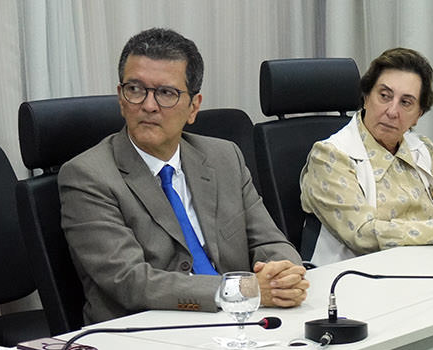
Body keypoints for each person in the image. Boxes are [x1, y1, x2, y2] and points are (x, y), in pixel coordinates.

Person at [60, 27, 308, 324]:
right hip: (149, 331)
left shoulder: (224, 157)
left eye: (166, 93)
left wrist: (283, 274)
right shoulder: (87, 176)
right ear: (121, 99)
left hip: (238, 322)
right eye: (135, 89)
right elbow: (130, 281)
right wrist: (241, 291)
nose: (148, 105)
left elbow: (270, 242)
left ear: (193, 107)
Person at [298, 46, 433, 268]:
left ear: (418, 115)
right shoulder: (330, 156)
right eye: (384, 96)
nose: (392, 111)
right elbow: (363, 234)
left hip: (427, 268)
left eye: (406, 102)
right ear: (366, 97)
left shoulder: (422, 149)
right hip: (357, 276)